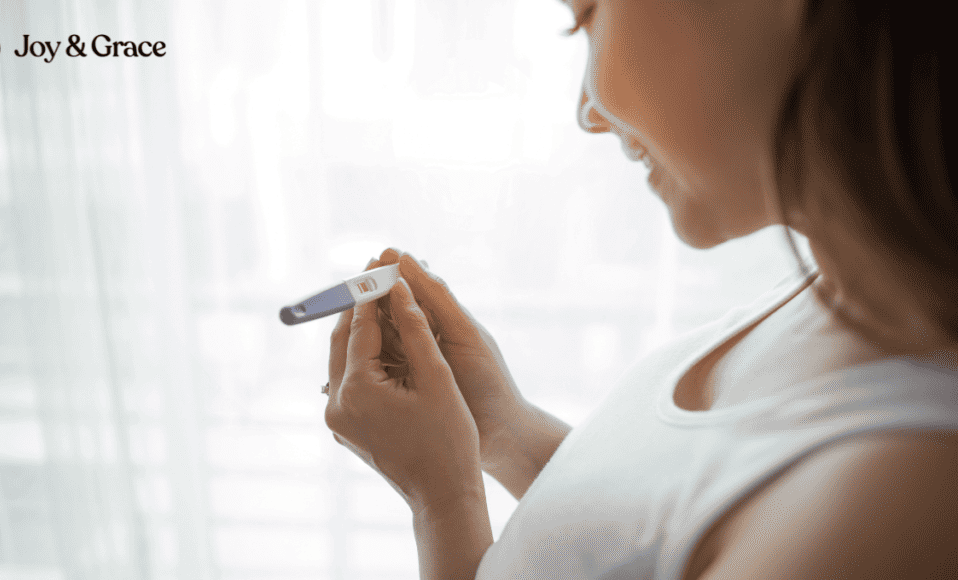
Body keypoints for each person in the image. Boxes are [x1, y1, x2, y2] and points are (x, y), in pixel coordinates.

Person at [322, 0, 958, 578]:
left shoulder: (895, 494)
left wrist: (440, 501)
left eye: (586, 17)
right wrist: (507, 435)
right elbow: (662, 544)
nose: (587, 112)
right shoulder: (835, 302)